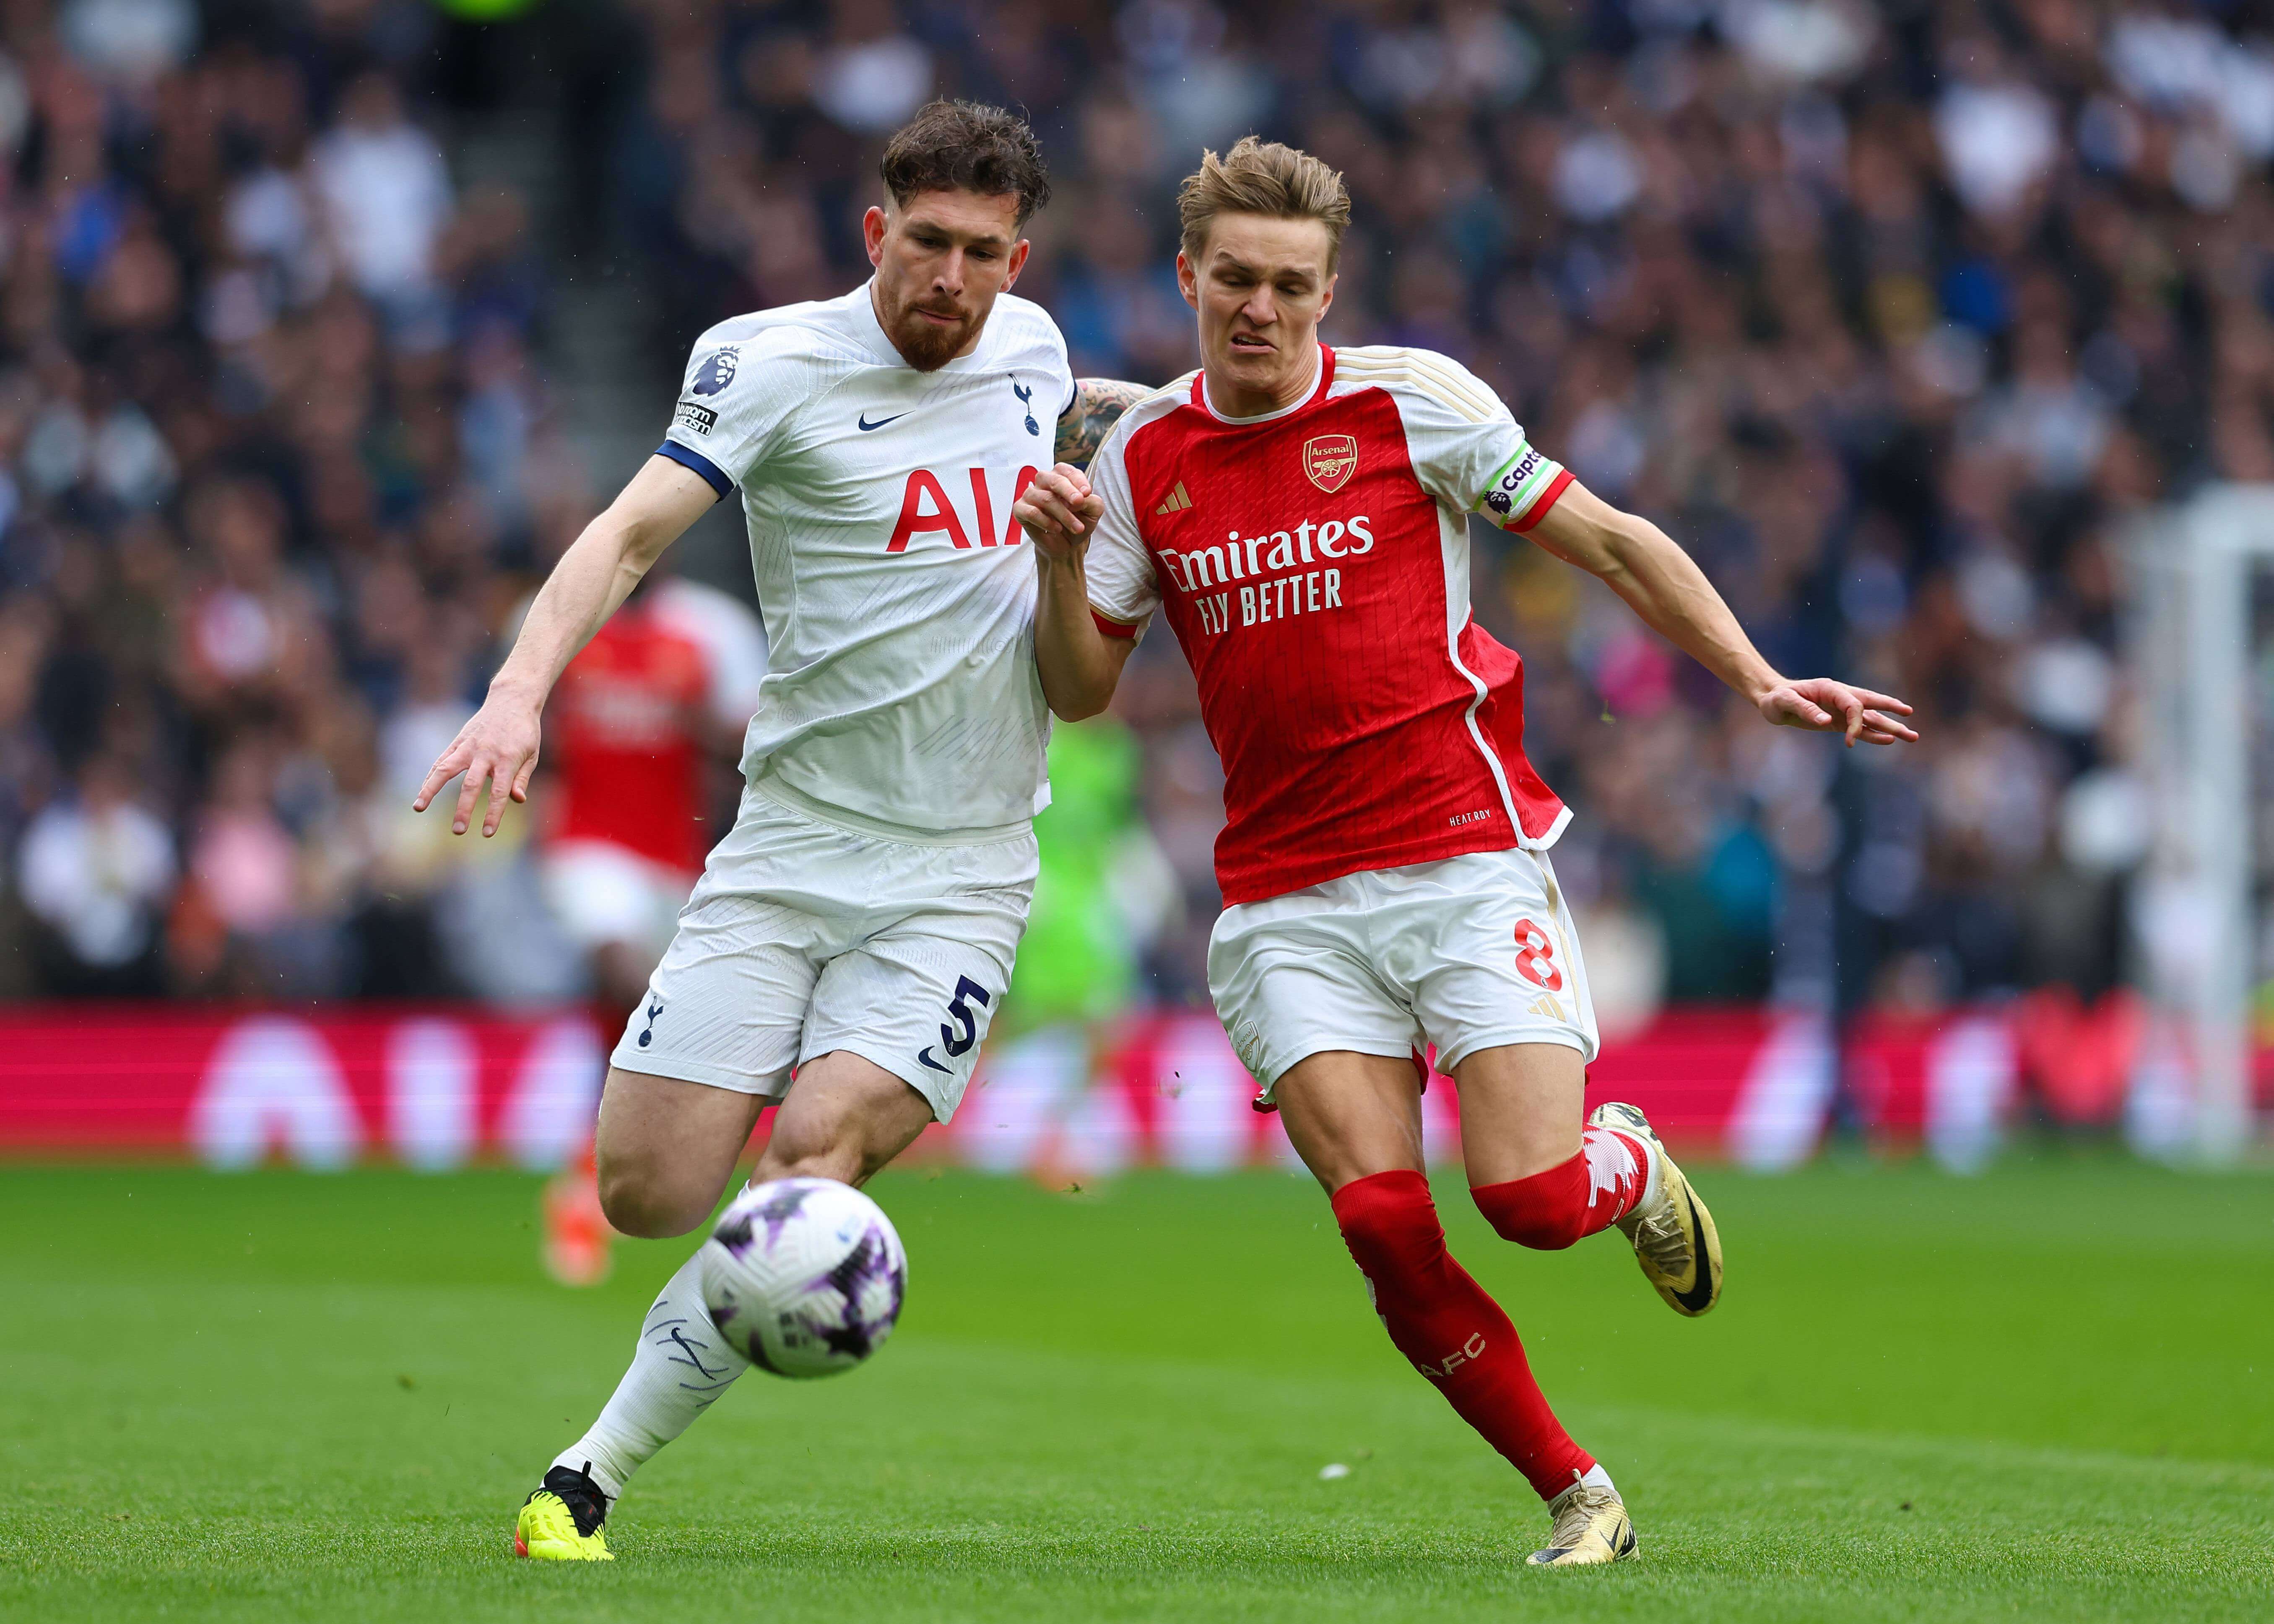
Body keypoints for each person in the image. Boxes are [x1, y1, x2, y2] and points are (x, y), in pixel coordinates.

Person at [1014, 137, 1917, 1568]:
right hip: (1282, 898)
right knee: (1382, 1221)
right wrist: (1060, 562)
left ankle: (1616, 1167)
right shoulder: (1139, 457)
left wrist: (1755, 678)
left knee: (1529, 1202)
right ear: (1187, 277)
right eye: (1234, 281)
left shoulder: (1411, 402)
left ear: (1329, 288)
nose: (1261, 309)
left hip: (1458, 858)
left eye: (1291, 287)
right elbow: (1078, 689)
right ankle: (1579, 1494)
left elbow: (1612, 542)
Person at [413, 99, 1142, 1562]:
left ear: (1017, 257)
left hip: (961, 872)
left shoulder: (1038, 348)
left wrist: (1133, 473)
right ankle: (718, 1248)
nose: (950, 277)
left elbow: (1081, 616)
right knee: (646, 1191)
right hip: (787, 846)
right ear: (876, 234)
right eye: (925, 243)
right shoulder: (765, 362)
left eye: (981, 252)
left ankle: (584, 1478)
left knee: (808, 1158)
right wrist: (517, 692)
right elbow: (626, 535)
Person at [534, 568, 766, 1287]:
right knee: (619, 967)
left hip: (674, 859)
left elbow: (754, 745)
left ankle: (586, 1173)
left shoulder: (710, 632)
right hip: (589, 846)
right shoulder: (564, 617)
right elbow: (536, 725)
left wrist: (698, 730)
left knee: (644, 1026)